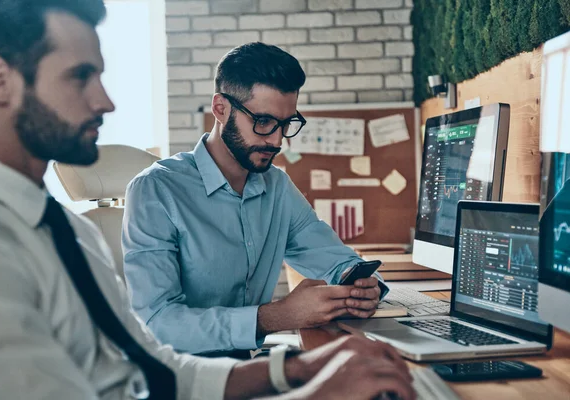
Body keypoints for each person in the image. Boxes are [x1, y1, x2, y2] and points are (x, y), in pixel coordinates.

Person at [0, 1, 417, 399]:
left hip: (231, 365)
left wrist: (295, 368)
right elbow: (159, 332)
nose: (106, 102)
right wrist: (308, 370)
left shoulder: (68, 231)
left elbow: (152, 370)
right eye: (80, 76)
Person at [122, 42, 388, 355]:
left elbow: (336, 260)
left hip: (244, 367)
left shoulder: (277, 187)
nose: (277, 140)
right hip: (180, 378)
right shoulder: (156, 190)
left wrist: (366, 287)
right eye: (263, 122)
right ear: (220, 109)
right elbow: (157, 324)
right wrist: (276, 316)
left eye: (286, 124)